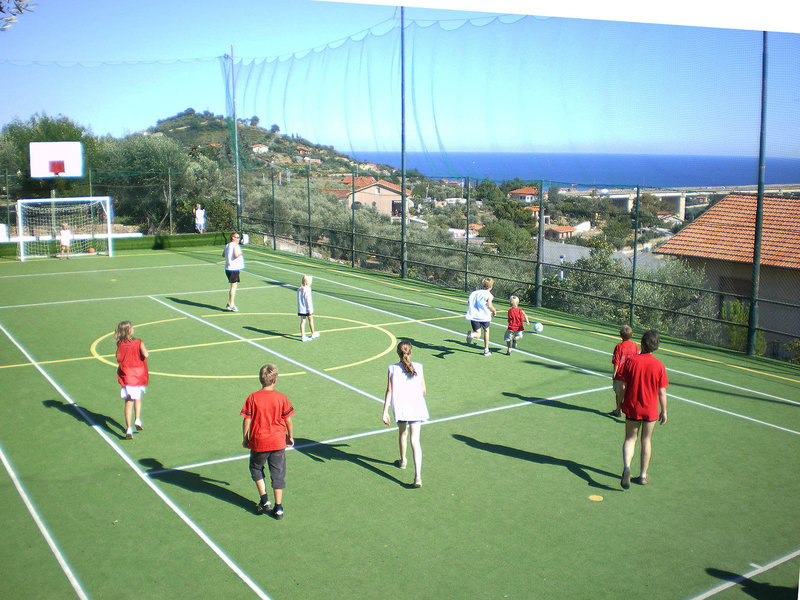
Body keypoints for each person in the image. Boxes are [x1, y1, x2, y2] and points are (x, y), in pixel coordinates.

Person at [240, 364, 294, 519]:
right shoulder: (281, 398)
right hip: (277, 442)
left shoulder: (252, 397)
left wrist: (245, 438)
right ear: (275, 380)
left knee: (256, 467)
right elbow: (288, 420)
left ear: (260, 379)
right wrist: (290, 436)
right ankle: (279, 507)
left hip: (259, 442)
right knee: (278, 473)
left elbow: (246, 420)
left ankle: (264, 500)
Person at [619, 330, 668, 489]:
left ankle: (627, 467)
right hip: (650, 410)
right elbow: (662, 392)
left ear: (641, 344)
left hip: (633, 407)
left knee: (630, 439)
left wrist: (620, 402)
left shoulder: (631, 361)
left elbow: (623, 386)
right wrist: (664, 411)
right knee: (646, 440)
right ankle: (642, 475)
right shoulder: (659, 365)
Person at [382, 340, 428, 487]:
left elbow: (389, 391)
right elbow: (424, 391)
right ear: (411, 352)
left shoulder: (392, 368)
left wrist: (385, 411)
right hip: (416, 407)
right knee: (415, 441)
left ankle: (403, 461)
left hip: (401, 407)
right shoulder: (419, 367)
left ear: (398, 353)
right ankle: (418, 477)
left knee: (403, 433)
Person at [115, 321, 149, 440]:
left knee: (128, 402)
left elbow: (119, 357)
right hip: (138, 374)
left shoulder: (120, 344)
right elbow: (146, 354)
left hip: (127, 375)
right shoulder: (138, 342)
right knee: (138, 398)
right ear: (129, 330)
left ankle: (128, 428)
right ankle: (137, 419)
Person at [610, 324, 639, 417]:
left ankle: (618, 410)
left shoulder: (619, 346)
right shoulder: (635, 346)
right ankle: (628, 411)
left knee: (619, 393)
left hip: (621, 374)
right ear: (632, 335)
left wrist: (614, 373)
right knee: (629, 394)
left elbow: (616, 361)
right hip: (631, 373)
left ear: (620, 335)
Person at [465, 277, 497, 356]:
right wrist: (494, 311)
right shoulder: (489, 295)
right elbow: (489, 305)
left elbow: (469, 302)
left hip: (474, 316)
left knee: (477, 334)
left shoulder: (475, 292)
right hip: (484, 316)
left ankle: (472, 335)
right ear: (491, 286)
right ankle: (486, 350)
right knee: (486, 331)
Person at [223, 232, 244, 311]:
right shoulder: (235, 245)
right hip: (233, 269)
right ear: (233, 238)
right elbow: (236, 255)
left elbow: (223, 255)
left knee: (233, 286)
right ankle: (231, 305)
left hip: (228, 268)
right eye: (237, 237)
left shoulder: (227, 245)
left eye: (239, 237)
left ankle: (229, 303)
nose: (238, 239)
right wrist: (240, 253)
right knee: (233, 287)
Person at [297, 274, 320, 342]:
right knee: (310, 320)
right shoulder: (308, 289)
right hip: (307, 308)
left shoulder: (299, 289)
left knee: (302, 322)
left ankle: (303, 336)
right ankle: (313, 333)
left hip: (301, 308)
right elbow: (308, 299)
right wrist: (309, 309)